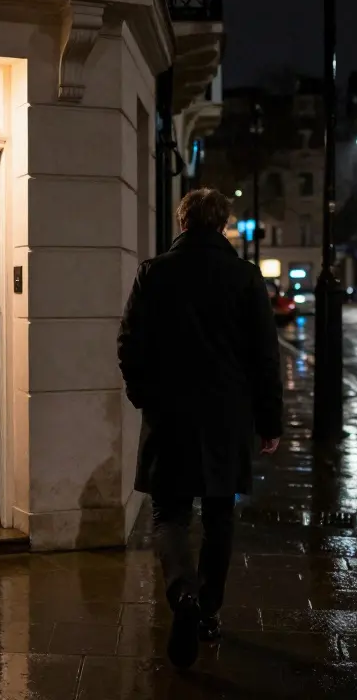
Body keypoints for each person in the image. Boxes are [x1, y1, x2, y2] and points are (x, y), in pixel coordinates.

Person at [117, 188, 284, 669]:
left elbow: (129, 344)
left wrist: (144, 396)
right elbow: (264, 358)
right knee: (219, 515)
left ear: (182, 220)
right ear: (223, 224)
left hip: (169, 414)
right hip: (227, 418)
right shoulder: (245, 278)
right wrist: (268, 422)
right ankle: (208, 611)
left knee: (169, 513)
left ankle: (182, 593)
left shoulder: (154, 273)